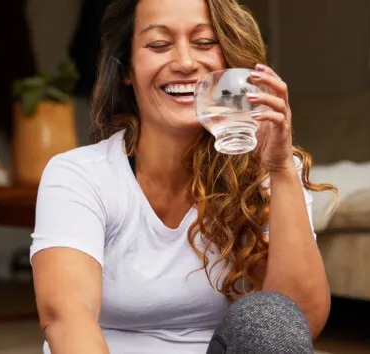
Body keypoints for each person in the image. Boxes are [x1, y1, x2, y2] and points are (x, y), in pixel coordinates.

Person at [29, 0, 337, 353]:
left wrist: (281, 172)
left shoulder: (271, 169)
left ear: (228, 61)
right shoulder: (80, 175)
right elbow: (66, 318)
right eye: (159, 45)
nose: (186, 63)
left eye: (205, 43)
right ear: (127, 68)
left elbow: (297, 322)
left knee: (268, 317)